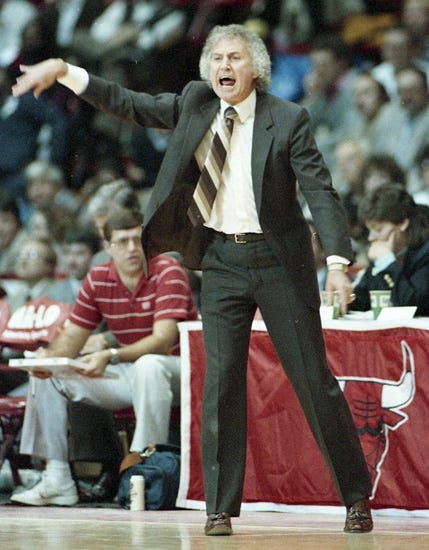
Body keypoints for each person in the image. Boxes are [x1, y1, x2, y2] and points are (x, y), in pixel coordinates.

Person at [11, 24, 373, 533]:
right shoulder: (196, 103)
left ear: (256, 69)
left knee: (314, 383)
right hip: (221, 260)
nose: (225, 66)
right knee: (220, 385)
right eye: (217, 58)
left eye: (235, 58)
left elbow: (320, 192)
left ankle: (356, 498)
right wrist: (66, 71)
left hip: (278, 263)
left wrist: (335, 264)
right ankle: (219, 508)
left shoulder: (288, 118)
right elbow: (130, 103)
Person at [10, 207, 197, 506]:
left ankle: (141, 474)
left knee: (149, 366)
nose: (132, 248)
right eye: (122, 241)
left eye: (137, 239)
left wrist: (110, 354)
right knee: (48, 373)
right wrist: (48, 357)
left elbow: (163, 341)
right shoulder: (98, 277)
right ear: (108, 246)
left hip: (182, 372)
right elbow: (72, 339)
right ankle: (57, 477)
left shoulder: (167, 270)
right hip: (130, 371)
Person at [350, 183, 429, 315]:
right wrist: (343, 298)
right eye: (369, 230)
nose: (371, 237)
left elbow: (412, 305)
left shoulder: (425, 252)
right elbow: (361, 300)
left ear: (402, 223)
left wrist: (387, 262)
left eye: (378, 229)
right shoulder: (385, 249)